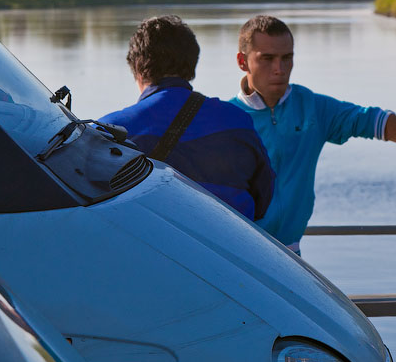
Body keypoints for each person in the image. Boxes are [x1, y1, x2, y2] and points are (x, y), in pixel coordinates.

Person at [230, 15, 396, 253]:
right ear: (243, 62)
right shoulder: (226, 119)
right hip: (240, 254)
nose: (280, 68)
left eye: (287, 58)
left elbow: (378, 122)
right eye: (267, 58)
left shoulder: (313, 108)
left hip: (291, 253)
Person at [100, 15, 273, 221]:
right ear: (193, 63)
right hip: (230, 248)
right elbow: (263, 199)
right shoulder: (238, 121)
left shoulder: (111, 131)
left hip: (152, 249)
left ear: (137, 66)